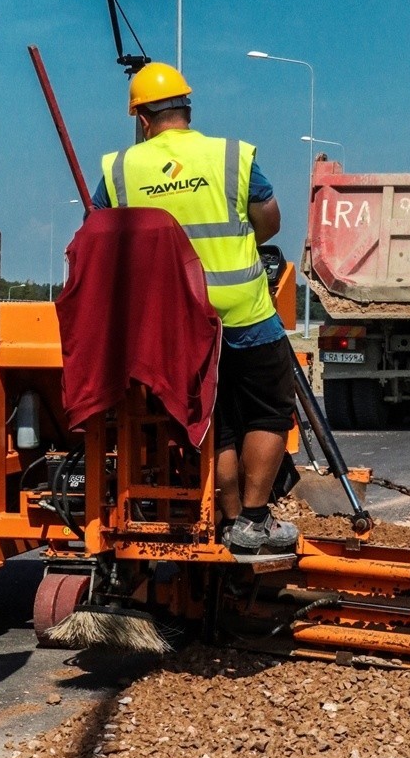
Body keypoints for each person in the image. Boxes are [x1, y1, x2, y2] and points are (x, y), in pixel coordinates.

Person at [93, 61, 298, 554]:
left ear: (140, 118)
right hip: (244, 314)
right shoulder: (230, 155)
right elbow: (268, 221)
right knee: (270, 412)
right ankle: (254, 520)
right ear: (187, 107)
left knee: (214, 420)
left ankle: (228, 521)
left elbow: (101, 236)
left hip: (176, 324)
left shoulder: (120, 169)